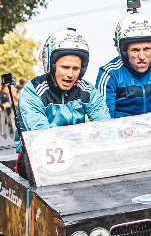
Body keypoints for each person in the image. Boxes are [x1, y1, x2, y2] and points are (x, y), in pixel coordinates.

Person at [15, 29, 110, 180]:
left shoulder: (87, 90)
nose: (70, 74)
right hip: (39, 157)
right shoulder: (32, 91)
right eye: (65, 67)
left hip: (77, 152)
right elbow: (42, 136)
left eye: (76, 68)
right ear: (51, 66)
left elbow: (106, 126)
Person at [95, 12, 151, 118]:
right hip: (124, 133)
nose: (142, 56)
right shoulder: (110, 73)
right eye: (135, 50)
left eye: (147, 49)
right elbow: (104, 119)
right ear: (124, 52)